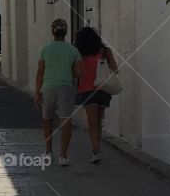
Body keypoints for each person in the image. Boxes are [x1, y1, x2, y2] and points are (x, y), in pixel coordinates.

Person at [34, 17, 82, 166]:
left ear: (52, 32)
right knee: (66, 121)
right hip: (66, 87)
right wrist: (68, 71)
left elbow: (40, 72)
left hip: (48, 87)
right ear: (66, 32)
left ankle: (48, 151)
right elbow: (80, 73)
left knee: (47, 120)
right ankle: (63, 155)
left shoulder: (45, 49)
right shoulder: (73, 50)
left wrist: (37, 92)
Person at [74, 25, 117, 164]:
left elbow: (76, 73)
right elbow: (115, 70)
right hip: (103, 89)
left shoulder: (80, 53)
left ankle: (96, 150)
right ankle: (97, 147)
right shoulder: (105, 51)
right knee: (98, 121)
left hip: (87, 90)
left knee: (92, 123)